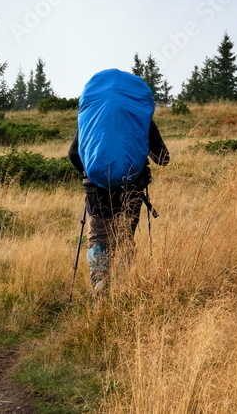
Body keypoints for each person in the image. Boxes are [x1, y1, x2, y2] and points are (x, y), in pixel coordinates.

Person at [68, 71, 170, 297]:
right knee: (125, 238)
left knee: (99, 236)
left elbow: (74, 154)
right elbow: (163, 158)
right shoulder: (140, 116)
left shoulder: (91, 116)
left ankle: (100, 279)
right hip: (131, 185)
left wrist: (90, 174)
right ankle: (124, 287)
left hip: (95, 187)